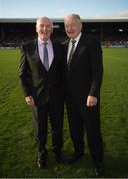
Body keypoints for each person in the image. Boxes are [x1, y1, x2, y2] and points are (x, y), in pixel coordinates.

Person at [19, 17, 65, 168]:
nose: (44, 29)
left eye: (48, 27)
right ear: (36, 28)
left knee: (57, 127)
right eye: (42, 26)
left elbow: (63, 73)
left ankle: (57, 152)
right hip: (37, 97)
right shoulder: (27, 47)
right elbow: (22, 74)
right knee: (40, 129)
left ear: (52, 29)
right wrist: (27, 94)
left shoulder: (59, 47)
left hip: (57, 97)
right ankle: (41, 154)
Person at [64, 14, 104, 176]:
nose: (69, 28)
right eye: (66, 25)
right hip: (70, 98)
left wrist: (93, 93)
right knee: (75, 129)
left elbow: (97, 70)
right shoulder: (64, 44)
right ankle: (78, 152)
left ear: (81, 26)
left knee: (93, 130)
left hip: (88, 98)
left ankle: (98, 161)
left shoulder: (91, 41)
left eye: (73, 24)